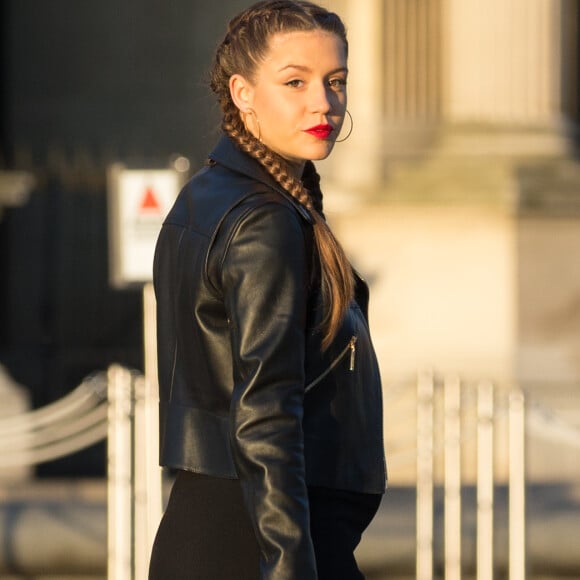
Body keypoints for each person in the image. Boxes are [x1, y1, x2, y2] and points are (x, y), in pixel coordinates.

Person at [148, 1, 386, 578]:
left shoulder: (208, 195)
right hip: (262, 542)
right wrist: (288, 565)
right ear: (243, 91)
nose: (322, 102)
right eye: (295, 81)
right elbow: (265, 412)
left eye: (335, 81)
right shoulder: (264, 219)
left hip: (220, 523)